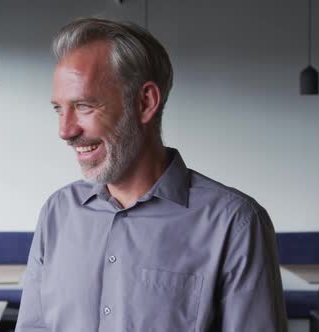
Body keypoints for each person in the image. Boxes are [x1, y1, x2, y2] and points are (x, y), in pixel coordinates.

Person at [16, 18, 287, 331]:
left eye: (84, 106)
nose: (65, 130)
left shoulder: (234, 223)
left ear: (145, 103)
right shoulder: (57, 212)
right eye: (59, 109)